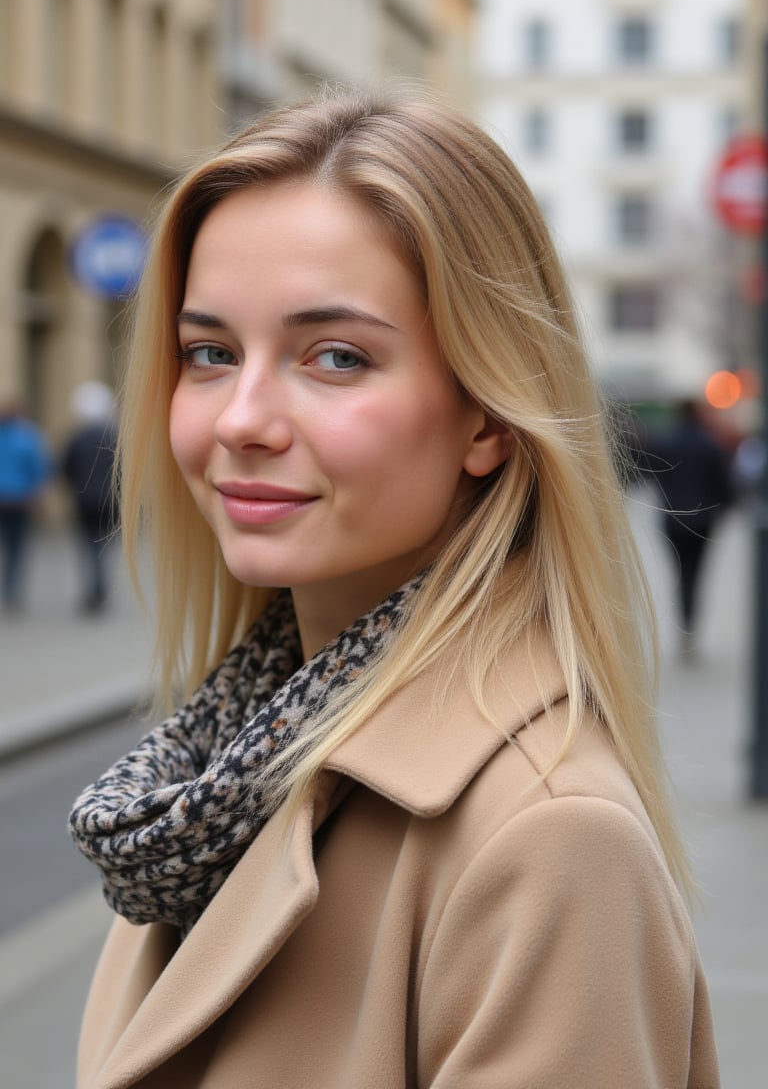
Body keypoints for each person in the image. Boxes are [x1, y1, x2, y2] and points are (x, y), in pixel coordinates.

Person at [69, 90, 720, 1088]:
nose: (242, 417)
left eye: (336, 357)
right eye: (210, 353)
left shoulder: (547, 842)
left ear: (488, 418)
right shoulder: (224, 770)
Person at [648, 398, 733, 658]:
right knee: (696, 574)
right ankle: (689, 626)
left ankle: (684, 627)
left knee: (680, 572)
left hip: (672, 520)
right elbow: (723, 485)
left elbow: (653, 475)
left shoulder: (666, 442)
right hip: (703, 521)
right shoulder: (709, 444)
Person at [62, 381, 119, 613]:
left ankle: (94, 588)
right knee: (105, 545)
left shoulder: (77, 438)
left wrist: (76, 487)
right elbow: (125, 470)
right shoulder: (114, 437)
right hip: (110, 500)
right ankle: (101, 586)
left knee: (88, 545)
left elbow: (66, 468)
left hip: (84, 501)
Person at [0, 396, 52, 611]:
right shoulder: (28, 436)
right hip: (20, 501)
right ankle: (12, 591)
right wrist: (37, 497)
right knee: (16, 548)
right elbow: (40, 468)